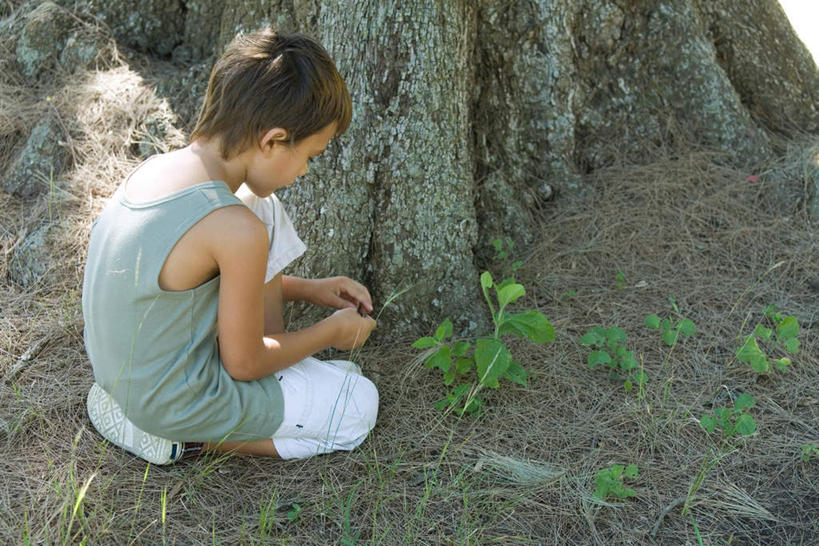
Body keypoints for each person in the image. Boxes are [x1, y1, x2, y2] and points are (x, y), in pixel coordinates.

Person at [82, 29, 378, 464]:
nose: (306, 171)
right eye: (310, 156)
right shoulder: (235, 229)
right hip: (167, 402)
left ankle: (257, 385)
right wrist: (329, 332)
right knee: (356, 402)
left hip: (121, 373)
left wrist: (308, 289)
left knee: (262, 204)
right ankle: (180, 439)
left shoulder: (157, 170)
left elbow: (185, 282)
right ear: (273, 140)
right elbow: (243, 363)